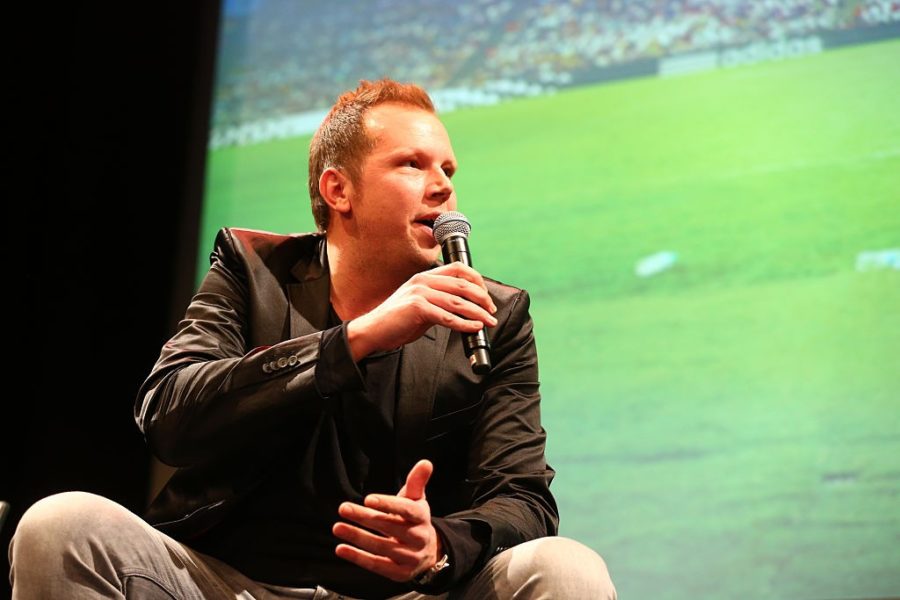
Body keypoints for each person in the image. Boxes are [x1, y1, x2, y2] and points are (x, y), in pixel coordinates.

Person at [10, 79, 616, 599]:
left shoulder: (495, 315)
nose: (443, 187)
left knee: (566, 566)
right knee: (61, 523)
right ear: (338, 191)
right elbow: (170, 412)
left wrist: (436, 547)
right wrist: (352, 340)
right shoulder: (252, 271)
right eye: (413, 164)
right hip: (231, 581)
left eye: (448, 170)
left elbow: (523, 499)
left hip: (406, 594)